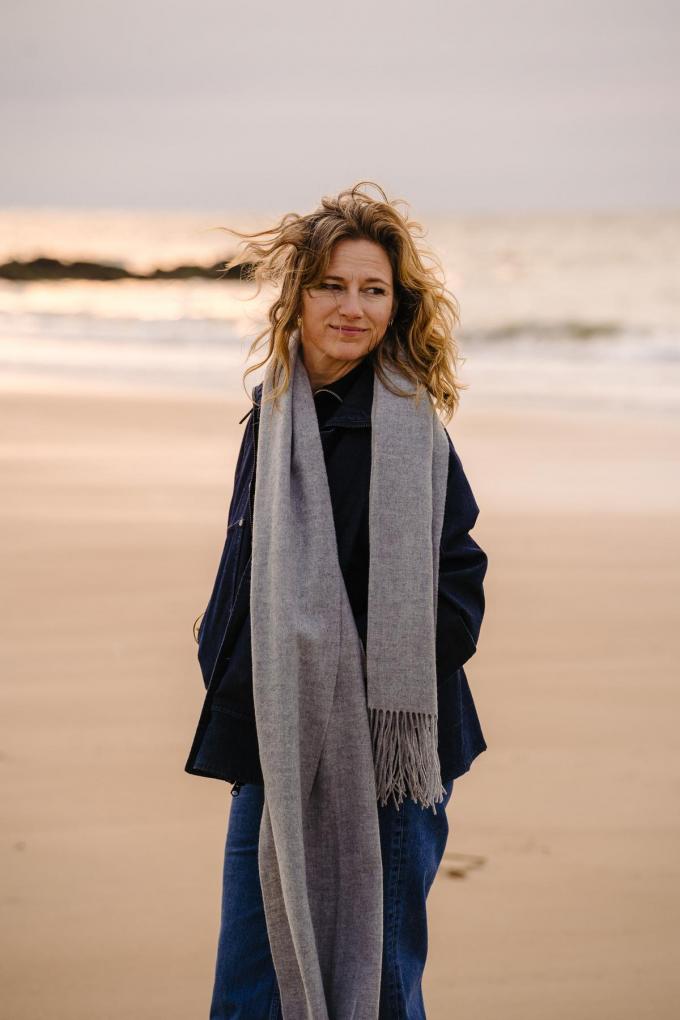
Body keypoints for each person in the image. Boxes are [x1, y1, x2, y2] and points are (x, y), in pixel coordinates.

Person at [184, 181, 488, 1020]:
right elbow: (247, 563)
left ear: (397, 305)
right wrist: (222, 649)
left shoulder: (408, 427)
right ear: (298, 295)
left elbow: (459, 585)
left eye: (374, 289)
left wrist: (365, 700)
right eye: (332, 285)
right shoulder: (275, 414)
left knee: (378, 986)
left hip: (384, 756)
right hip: (274, 739)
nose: (352, 307)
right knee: (251, 985)